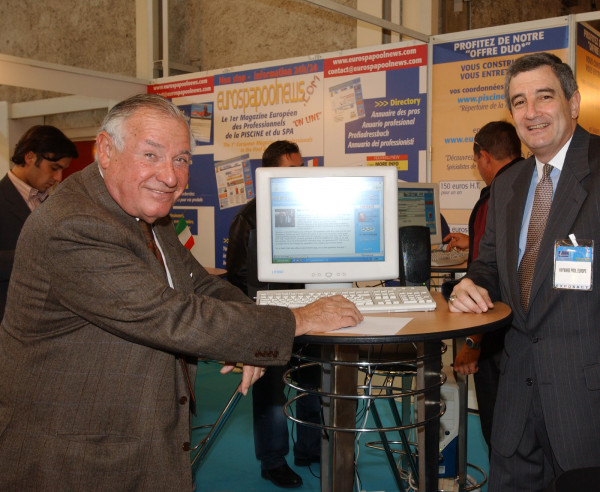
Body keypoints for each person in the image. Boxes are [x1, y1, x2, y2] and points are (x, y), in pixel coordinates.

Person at [0, 94, 363, 491]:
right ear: (105, 150)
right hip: (76, 455)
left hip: (138, 435)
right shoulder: (74, 225)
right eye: (151, 155)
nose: (171, 177)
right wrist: (300, 318)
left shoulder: (144, 212)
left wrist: (250, 339)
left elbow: (200, 284)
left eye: (181, 159)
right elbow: (171, 316)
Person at [446, 53, 600, 491]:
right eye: (519, 102)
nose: (532, 112)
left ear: (573, 103)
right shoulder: (508, 185)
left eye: (544, 96)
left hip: (596, 412)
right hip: (516, 406)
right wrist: (472, 284)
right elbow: (490, 265)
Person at [226, 140, 319, 488]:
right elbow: (235, 275)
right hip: (268, 316)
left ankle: (311, 449)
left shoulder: (310, 208)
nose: (299, 176)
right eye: (291, 170)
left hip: (309, 312)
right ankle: (273, 461)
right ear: (268, 173)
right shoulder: (247, 218)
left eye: (301, 169)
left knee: (313, 382)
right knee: (270, 395)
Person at [442, 120, 523, 452]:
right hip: (525, 331)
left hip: (496, 337)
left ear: (485, 156)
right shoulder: (531, 184)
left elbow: (488, 285)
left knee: (498, 426)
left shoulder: (497, 196)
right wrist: (472, 239)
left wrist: (473, 343)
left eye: (477, 161)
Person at [0, 125, 78, 320]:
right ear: (30, 157)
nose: (58, 177)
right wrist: (40, 255)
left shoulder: (57, 203)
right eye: (54, 168)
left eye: (62, 170)